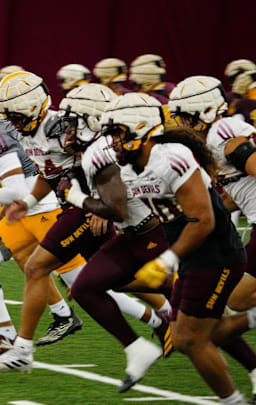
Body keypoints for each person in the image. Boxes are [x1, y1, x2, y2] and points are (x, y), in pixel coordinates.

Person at [107, 93, 253, 404]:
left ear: (139, 128)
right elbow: (168, 219)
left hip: (215, 254)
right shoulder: (132, 170)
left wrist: (167, 260)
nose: (113, 142)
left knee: (191, 339)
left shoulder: (169, 157)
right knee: (192, 336)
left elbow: (203, 220)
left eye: (117, 133)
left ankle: (234, 402)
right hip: (192, 255)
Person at [0, 84, 85, 356]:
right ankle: (10, 336)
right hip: (27, 210)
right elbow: (24, 174)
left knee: (86, 284)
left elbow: (20, 187)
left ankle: (159, 315)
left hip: (46, 210)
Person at [55, 88, 172, 392]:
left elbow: (117, 209)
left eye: (73, 122)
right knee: (86, 287)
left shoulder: (102, 150)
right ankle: (137, 347)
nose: (67, 131)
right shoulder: (99, 147)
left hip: (158, 234)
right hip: (135, 234)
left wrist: (79, 199)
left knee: (208, 322)